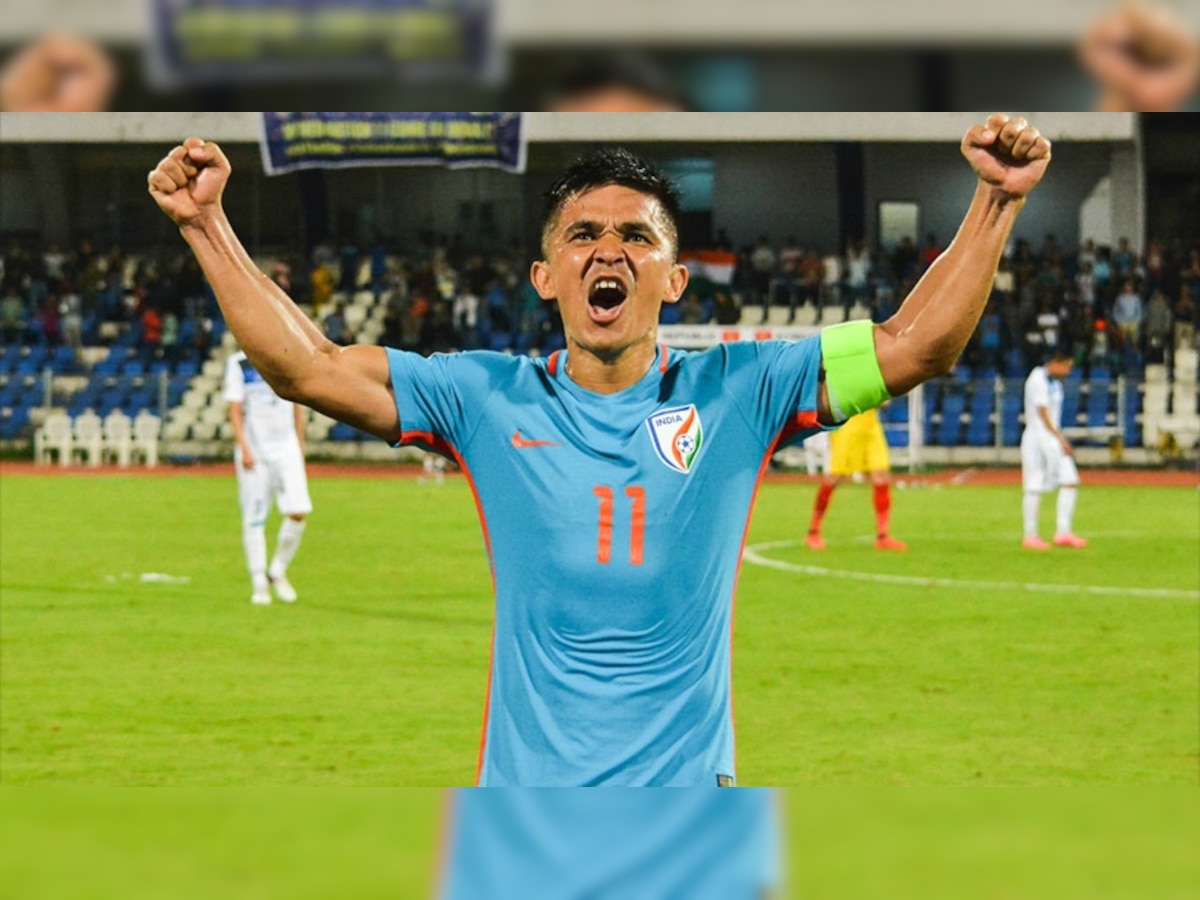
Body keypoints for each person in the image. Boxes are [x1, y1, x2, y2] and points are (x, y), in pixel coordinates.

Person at [150, 113, 1052, 786]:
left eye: (636, 237)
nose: (607, 251)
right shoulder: (481, 396)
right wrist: (205, 225)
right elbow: (307, 368)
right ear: (546, 277)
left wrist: (995, 201)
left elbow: (913, 345)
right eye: (582, 235)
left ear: (674, 277)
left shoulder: (743, 389)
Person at [223, 349, 313, 605]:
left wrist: (300, 442)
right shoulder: (239, 363)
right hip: (256, 450)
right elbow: (235, 409)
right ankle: (259, 581)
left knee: (298, 511)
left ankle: (277, 571)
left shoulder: (285, 357)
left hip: (286, 447)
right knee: (255, 518)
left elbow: (297, 403)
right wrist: (244, 448)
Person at [804, 407, 907, 552]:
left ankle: (883, 536)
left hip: (871, 423)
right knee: (835, 476)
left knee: (881, 474)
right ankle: (813, 532)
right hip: (848, 424)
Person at [1020, 349, 1087, 550]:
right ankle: (1030, 535)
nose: (1068, 370)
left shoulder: (1055, 384)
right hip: (1037, 437)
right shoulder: (1037, 378)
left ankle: (1063, 532)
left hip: (1051, 437)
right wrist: (1060, 438)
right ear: (1056, 362)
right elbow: (1042, 412)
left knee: (1070, 480)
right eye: (1067, 366)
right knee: (1033, 485)